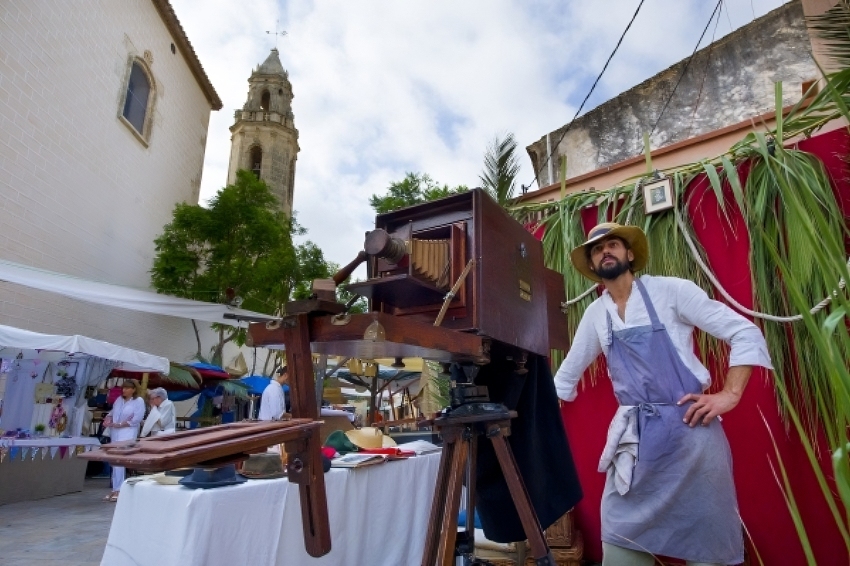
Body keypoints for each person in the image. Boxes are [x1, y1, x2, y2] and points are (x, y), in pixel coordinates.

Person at [554, 222, 773, 566]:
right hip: (635, 444)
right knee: (620, 539)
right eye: (597, 249)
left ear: (629, 254)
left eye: (613, 244)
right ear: (594, 266)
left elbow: (745, 332)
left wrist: (729, 395)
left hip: (692, 439)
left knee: (708, 549)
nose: (605, 251)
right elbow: (566, 375)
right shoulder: (596, 315)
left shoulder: (671, 291)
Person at [102, 379, 145, 502]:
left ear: (134, 390)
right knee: (114, 460)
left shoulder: (138, 401)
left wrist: (120, 424)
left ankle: (119, 489)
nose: (124, 390)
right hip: (115, 433)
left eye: (127, 388)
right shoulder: (119, 400)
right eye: (123, 388)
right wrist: (109, 418)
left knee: (119, 460)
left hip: (127, 433)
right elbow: (113, 411)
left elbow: (137, 419)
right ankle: (115, 488)